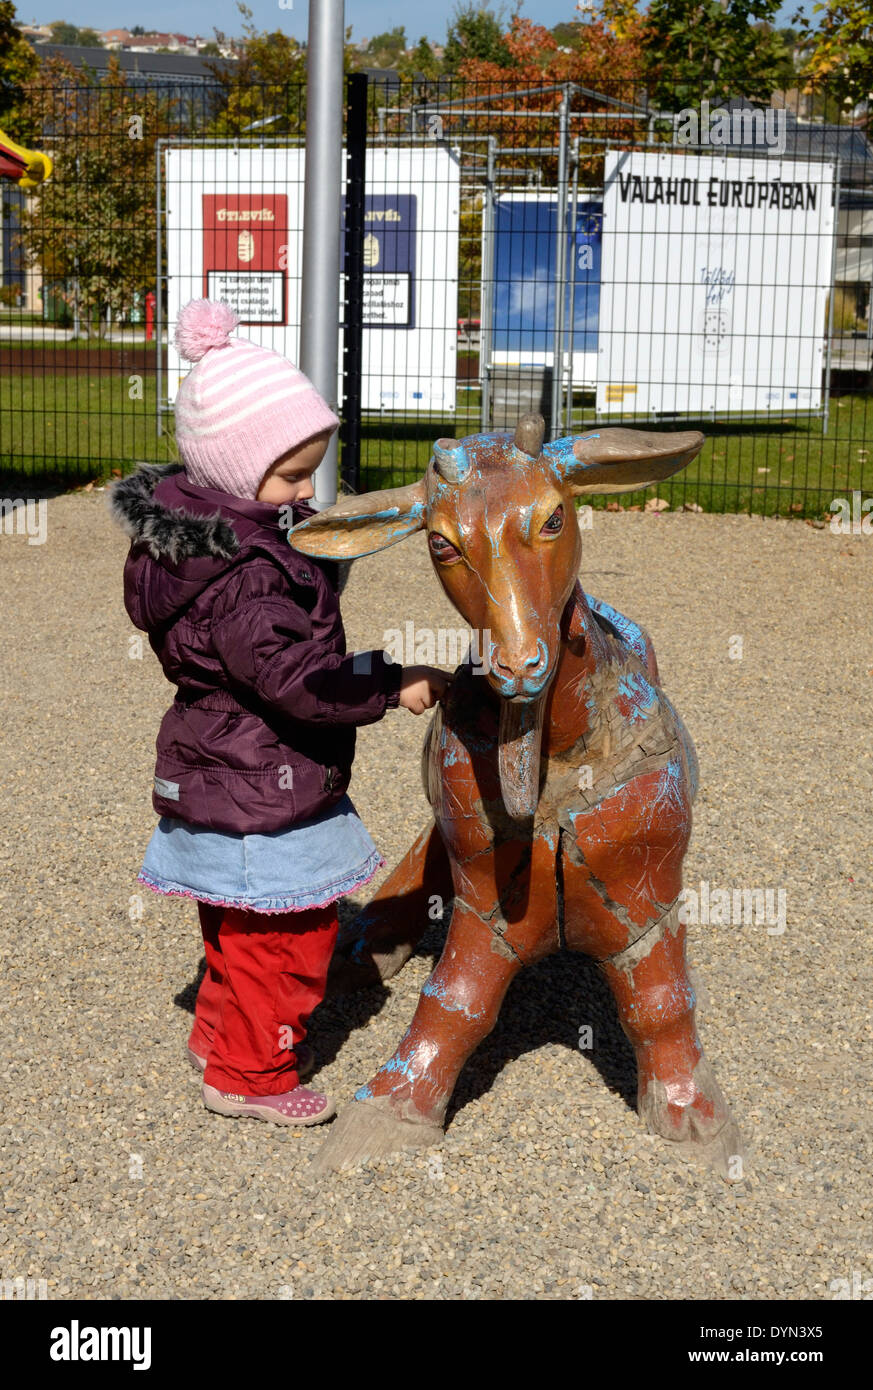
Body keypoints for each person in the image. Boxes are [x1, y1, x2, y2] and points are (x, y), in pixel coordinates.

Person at [109, 297, 449, 1127]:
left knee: (233, 924)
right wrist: (390, 681)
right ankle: (250, 1077)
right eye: (293, 477)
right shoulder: (249, 578)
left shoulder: (210, 538)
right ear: (232, 469)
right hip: (266, 773)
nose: (305, 494)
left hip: (216, 763)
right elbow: (298, 679)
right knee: (290, 941)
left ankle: (222, 1034)